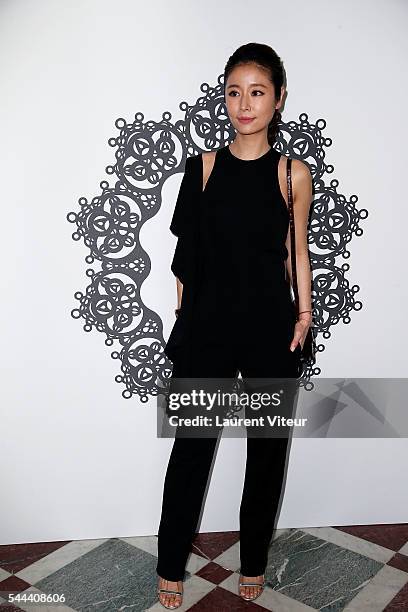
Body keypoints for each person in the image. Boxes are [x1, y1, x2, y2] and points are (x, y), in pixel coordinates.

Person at [156, 42, 313, 609]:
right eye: (234, 92)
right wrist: (187, 315)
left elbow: (296, 252)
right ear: (224, 97)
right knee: (191, 448)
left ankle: (253, 561)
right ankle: (170, 561)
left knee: (267, 450)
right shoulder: (201, 169)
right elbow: (185, 261)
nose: (244, 104)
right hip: (209, 325)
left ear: (278, 98)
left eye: (257, 91)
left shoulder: (293, 173)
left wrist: (305, 311)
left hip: (272, 325)